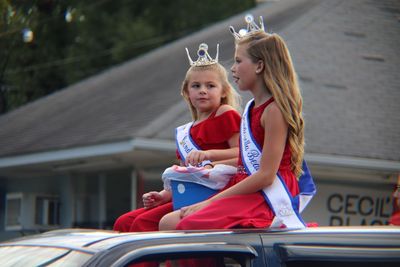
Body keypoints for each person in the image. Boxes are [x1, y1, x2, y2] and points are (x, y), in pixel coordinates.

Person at [159, 14, 315, 231]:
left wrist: (209, 202)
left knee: (185, 223)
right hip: (244, 187)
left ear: (259, 66)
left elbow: (266, 175)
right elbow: (243, 161)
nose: (232, 68)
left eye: (239, 61)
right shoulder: (251, 109)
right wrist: (210, 164)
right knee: (167, 222)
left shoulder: (274, 111)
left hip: (265, 195)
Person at [113, 43, 242, 233]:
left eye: (210, 85)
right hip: (187, 193)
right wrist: (163, 195)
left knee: (142, 224)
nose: (203, 90)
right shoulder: (184, 132)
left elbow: (244, 155)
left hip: (215, 193)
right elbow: (186, 174)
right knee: (123, 222)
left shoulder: (225, 113)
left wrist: (208, 155)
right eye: (196, 86)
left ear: (224, 91)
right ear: (187, 92)